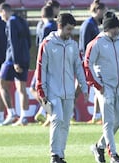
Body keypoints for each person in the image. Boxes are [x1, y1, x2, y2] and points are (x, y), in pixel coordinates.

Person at [35, 13, 89, 163]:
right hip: (52, 90)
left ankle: (61, 155)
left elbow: (79, 67)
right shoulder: (47, 44)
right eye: (68, 29)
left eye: (72, 29)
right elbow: (41, 68)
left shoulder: (73, 45)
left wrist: (84, 88)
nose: (70, 33)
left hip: (69, 92)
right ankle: (54, 155)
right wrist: (41, 90)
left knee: (65, 123)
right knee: (57, 119)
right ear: (60, 26)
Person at [84, 11, 119, 163]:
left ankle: (99, 146)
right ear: (106, 28)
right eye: (113, 28)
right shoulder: (96, 43)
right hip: (105, 89)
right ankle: (114, 155)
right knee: (109, 123)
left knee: (118, 121)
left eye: (118, 28)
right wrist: (98, 85)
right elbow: (87, 64)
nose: (116, 31)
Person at [0, 3, 31, 126]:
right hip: (24, 57)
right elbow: (28, 39)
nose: (1, 18)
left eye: (1, 15)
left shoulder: (11, 22)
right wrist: (25, 56)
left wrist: (16, 61)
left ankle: (11, 113)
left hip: (12, 59)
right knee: (21, 88)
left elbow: (13, 42)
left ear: (4, 11)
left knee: (1, 84)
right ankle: (24, 117)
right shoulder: (22, 20)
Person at [78, 0, 106, 124]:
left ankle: (97, 115)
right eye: (103, 12)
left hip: (92, 63)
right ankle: (67, 114)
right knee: (78, 89)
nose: (104, 16)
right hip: (86, 63)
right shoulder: (88, 25)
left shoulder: (93, 24)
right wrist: (86, 63)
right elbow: (84, 46)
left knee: (97, 88)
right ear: (97, 10)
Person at [33, 5, 58, 125]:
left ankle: (48, 113)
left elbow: (42, 47)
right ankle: (45, 112)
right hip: (54, 62)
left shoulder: (45, 27)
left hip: (45, 62)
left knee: (35, 88)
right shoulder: (55, 26)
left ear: (42, 16)